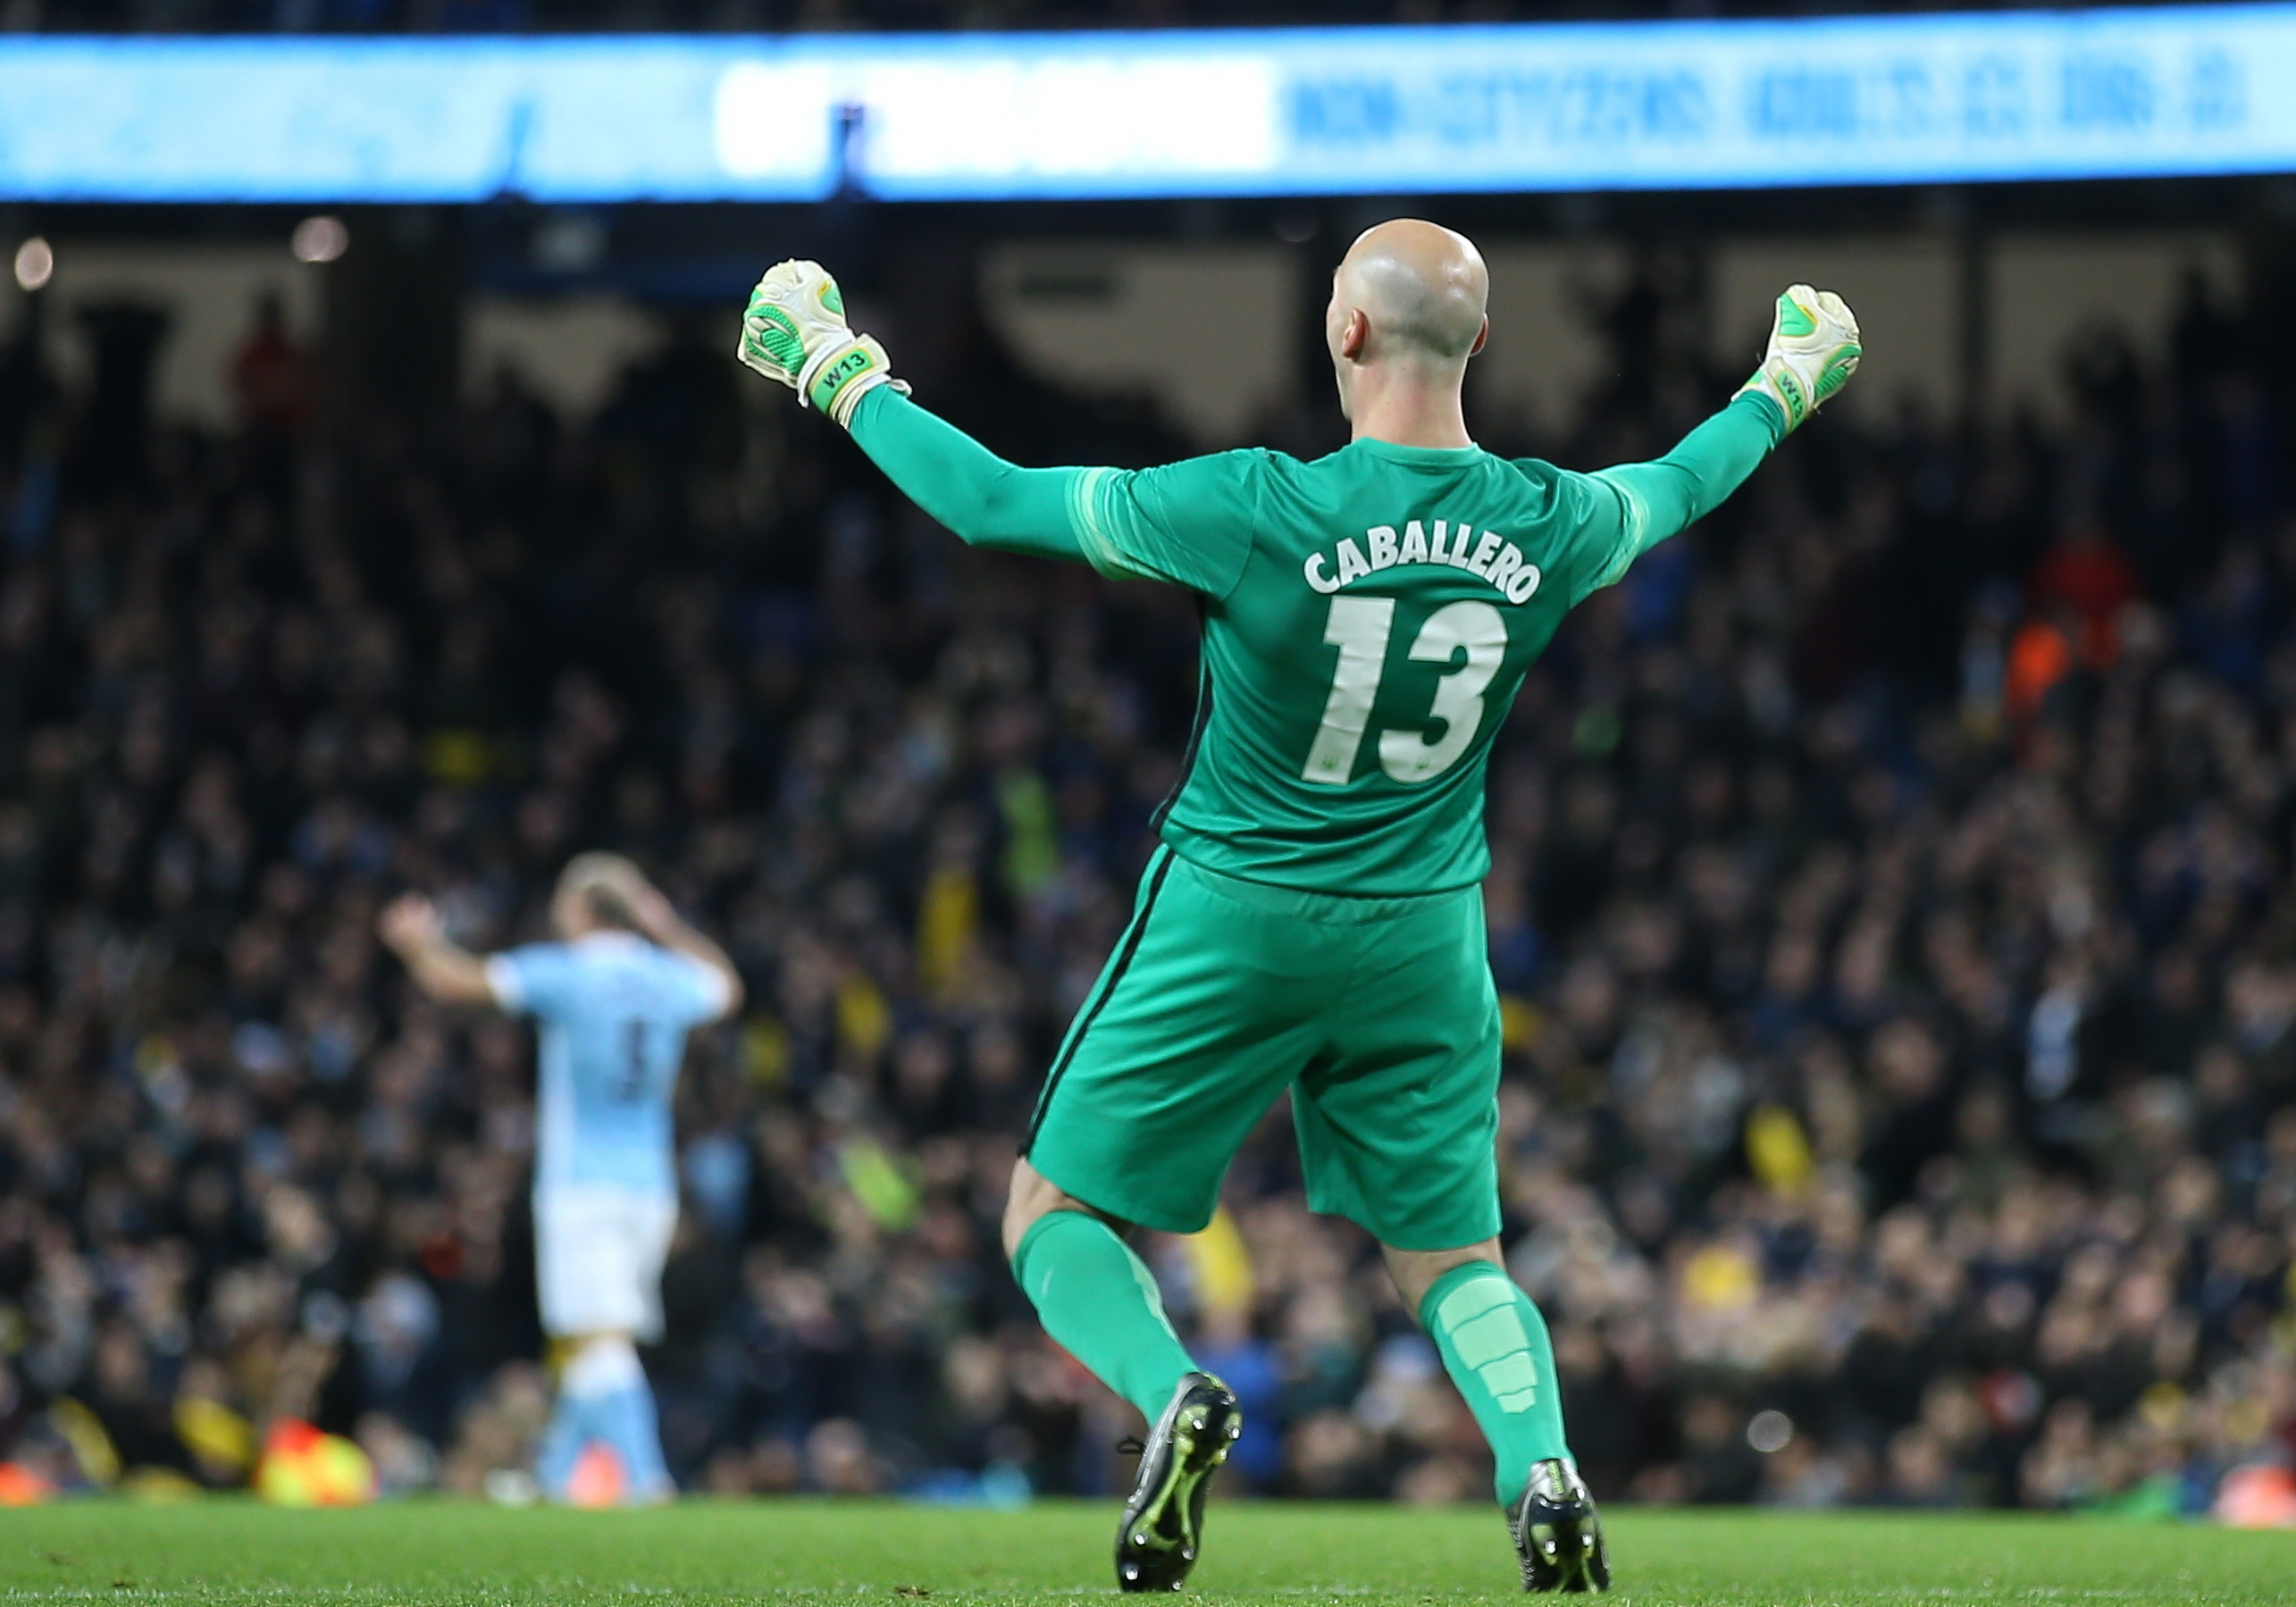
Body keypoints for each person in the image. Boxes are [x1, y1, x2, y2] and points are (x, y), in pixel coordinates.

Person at [734, 222, 1858, 1592]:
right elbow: (1678, 482)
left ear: (1344, 334)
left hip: (1239, 904)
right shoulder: (1549, 519)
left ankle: (1170, 1394)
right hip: (1426, 930)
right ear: (1481, 343)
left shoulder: (1261, 503)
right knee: (1450, 1255)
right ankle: (1538, 1460)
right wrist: (1784, 382)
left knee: (1049, 1209)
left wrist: (834, 367)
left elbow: (993, 504)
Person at [379, 853, 742, 1505]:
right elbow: (726, 986)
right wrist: (667, 928)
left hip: (582, 1187)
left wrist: (418, 943)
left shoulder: (571, 973)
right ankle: (550, 1479)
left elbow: (457, 982)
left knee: (602, 1340)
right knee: (585, 1338)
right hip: (651, 1190)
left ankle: (645, 1478)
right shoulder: (666, 976)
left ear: (578, 909)